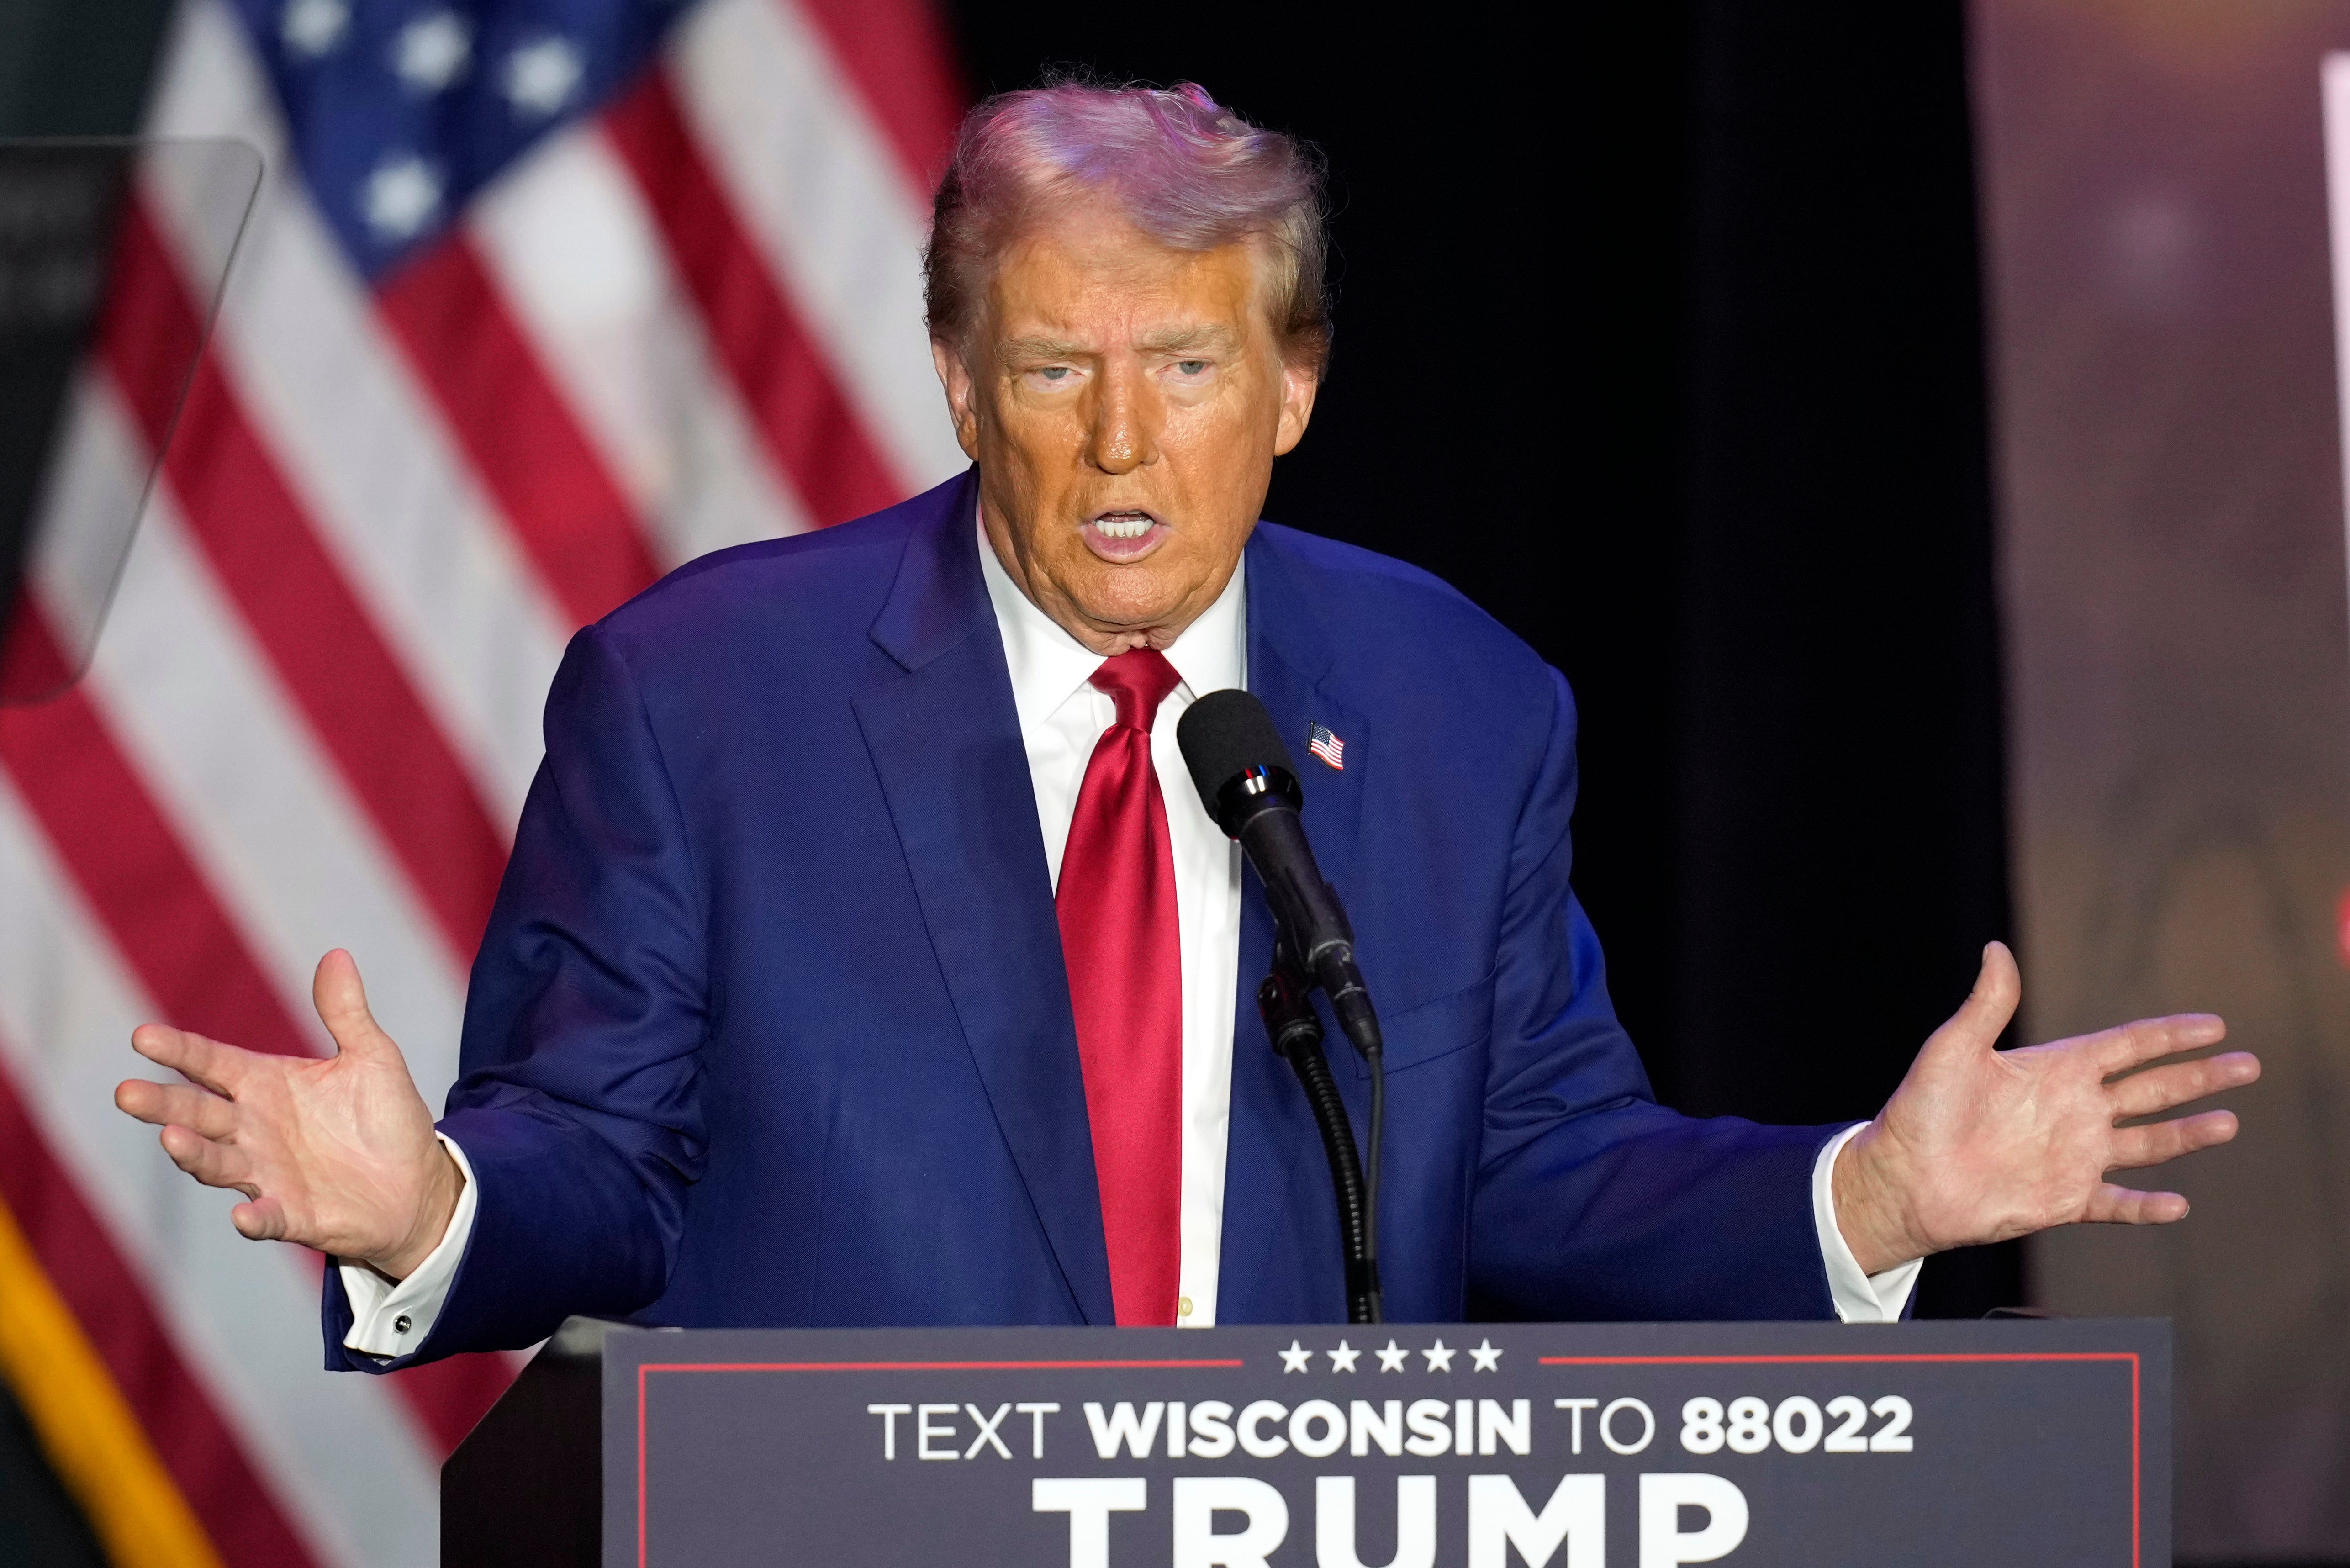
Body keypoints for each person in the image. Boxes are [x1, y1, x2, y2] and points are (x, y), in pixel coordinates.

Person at [115, 83, 2256, 1363]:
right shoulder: (700, 703)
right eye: (1053, 369)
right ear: (958, 382)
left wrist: (1869, 1198)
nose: (1122, 442)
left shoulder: (1457, 707)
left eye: (1191, 367)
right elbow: (603, 1163)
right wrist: (429, 1213)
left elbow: (1536, 1170)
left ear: (1297, 387)